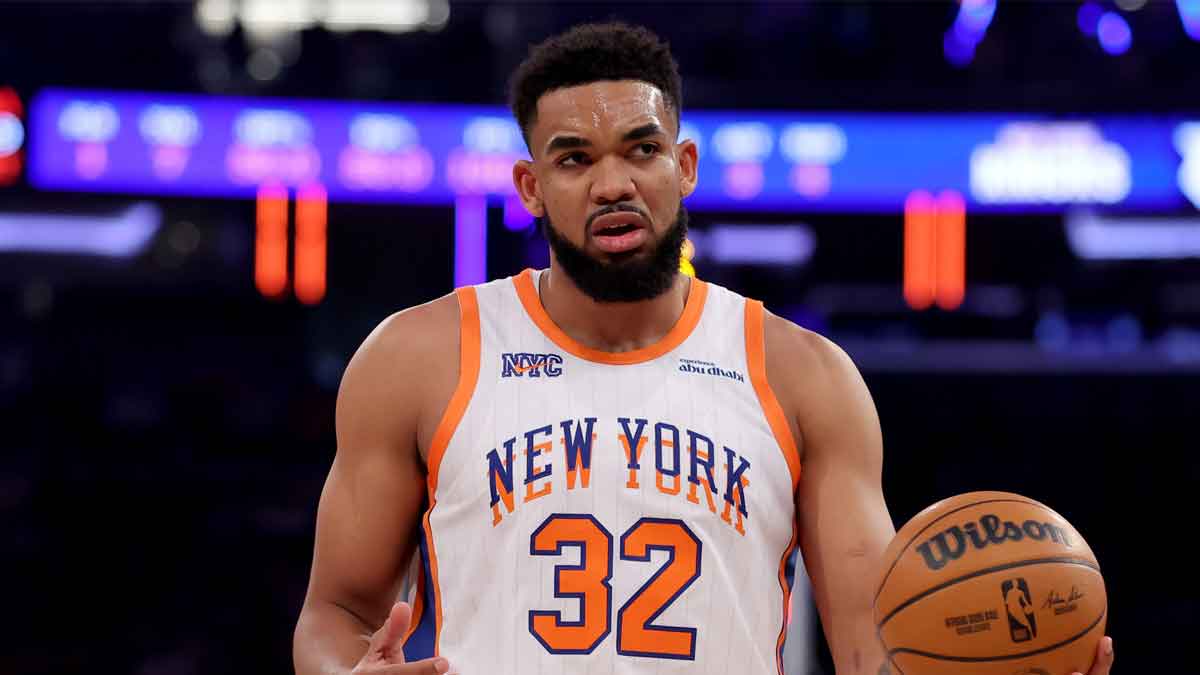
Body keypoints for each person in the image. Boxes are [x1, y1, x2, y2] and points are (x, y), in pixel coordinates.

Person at [293, 22, 1115, 675]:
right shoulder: (417, 357)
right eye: (574, 159)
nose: (613, 183)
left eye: (641, 150)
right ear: (531, 188)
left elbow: (876, 648)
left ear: (683, 166)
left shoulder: (803, 375)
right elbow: (336, 613)